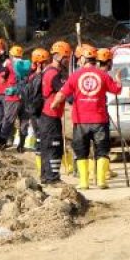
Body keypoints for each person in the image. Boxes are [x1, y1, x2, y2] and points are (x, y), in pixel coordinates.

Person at [51, 45, 121, 190]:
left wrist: (54, 105)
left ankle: (84, 182)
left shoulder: (75, 76)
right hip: (100, 120)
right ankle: (101, 181)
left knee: (82, 151)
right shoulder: (103, 75)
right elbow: (116, 90)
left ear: (83, 59)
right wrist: (118, 80)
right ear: (95, 60)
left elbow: (62, 94)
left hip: (81, 121)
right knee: (102, 150)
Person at [38, 41, 71, 185]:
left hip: (45, 115)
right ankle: (53, 178)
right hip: (51, 116)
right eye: (66, 57)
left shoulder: (47, 70)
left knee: (46, 146)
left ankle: (45, 176)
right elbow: (66, 94)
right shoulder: (55, 75)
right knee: (54, 146)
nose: (68, 60)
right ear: (58, 56)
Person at [0, 45, 29, 151]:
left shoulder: (9, 65)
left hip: (12, 98)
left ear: (11, 55)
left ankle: (2, 143)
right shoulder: (26, 65)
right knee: (24, 121)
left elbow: (1, 81)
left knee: (8, 120)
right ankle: (21, 145)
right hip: (25, 97)